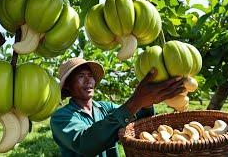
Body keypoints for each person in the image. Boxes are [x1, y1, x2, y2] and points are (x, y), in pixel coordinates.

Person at [50, 57, 186, 157]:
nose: (88, 81)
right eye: (81, 76)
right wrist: (136, 101)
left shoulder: (105, 107)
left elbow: (139, 119)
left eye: (90, 76)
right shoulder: (60, 117)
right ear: (67, 85)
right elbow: (85, 144)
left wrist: (146, 102)